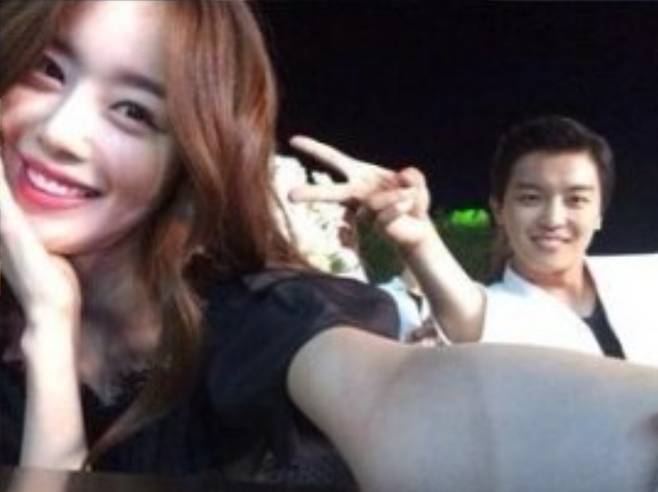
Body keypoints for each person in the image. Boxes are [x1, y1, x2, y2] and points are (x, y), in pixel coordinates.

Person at [4, 3, 658, 491]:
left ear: (192, 159)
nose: (61, 132)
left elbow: (409, 400)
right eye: (47, 69)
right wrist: (49, 329)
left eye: (134, 112)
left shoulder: (255, 326)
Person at [289, 116, 658, 366]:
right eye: (531, 198)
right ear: (499, 209)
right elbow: (467, 311)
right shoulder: (491, 314)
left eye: (576, 200)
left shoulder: (645, 277)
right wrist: (419, 236)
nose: (553, 218)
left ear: (600, 213)